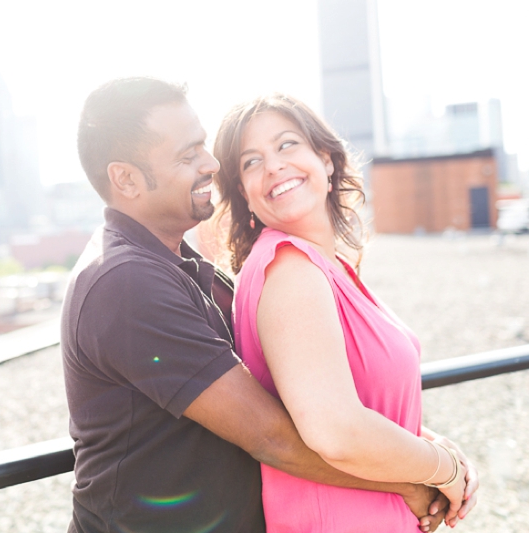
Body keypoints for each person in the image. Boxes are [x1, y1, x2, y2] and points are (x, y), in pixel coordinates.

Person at [62, 77, 464, 533]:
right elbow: (272, 436)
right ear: (126, 179)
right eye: (188, 153)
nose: (212, 164)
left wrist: (412, 449)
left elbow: (295, 397)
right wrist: (414, 480)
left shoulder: (188, 268)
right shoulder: (125, 283)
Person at [213, 93, 479, 532]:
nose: (274, 166)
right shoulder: (289, 269)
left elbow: (353, 399)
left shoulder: (324, 266)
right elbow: (335, 429)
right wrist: (442, 469)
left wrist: (441, 449)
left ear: (326, 159)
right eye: (251, 162)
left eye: (286, 145)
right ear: (245, 193)